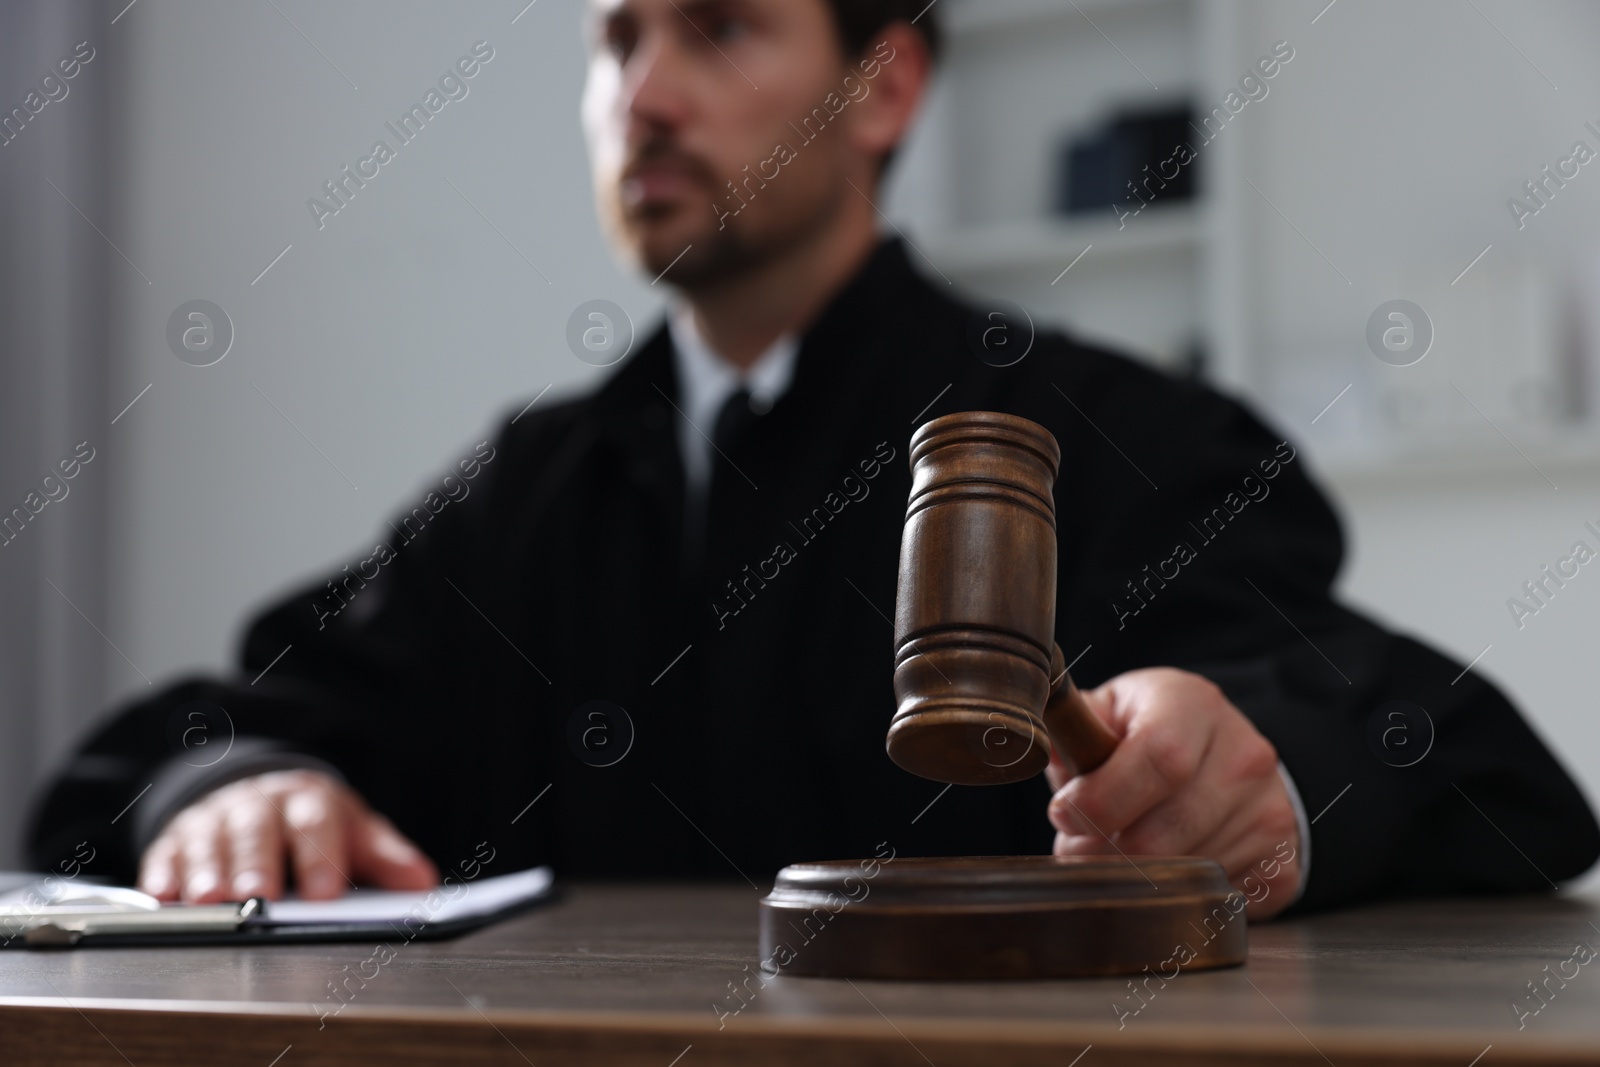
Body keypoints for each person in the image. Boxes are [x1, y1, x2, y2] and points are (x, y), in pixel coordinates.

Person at [26, 0, 1599, 920]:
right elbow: (156, 749)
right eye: (613, 39)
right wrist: (235, 788)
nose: (639, 96)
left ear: (886, 85)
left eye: (714, 26)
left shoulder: (1131, 441)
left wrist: (1264, 783)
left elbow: (1485, 770)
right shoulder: (526, 497)